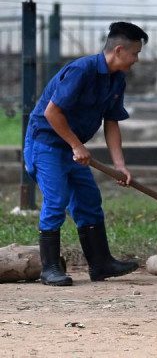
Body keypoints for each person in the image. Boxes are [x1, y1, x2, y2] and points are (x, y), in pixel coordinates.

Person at [23, 21, 148, 286]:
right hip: (46, 144)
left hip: (72, 148)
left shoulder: (117, 80)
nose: (136, 60)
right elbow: (51, 113)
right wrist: (76, 145)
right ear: (119, 50)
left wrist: (119, 165)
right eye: (135, 53)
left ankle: (101, 264)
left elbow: (111, 121)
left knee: (89, 201)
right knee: (57, 200)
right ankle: (50, 268)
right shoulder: (82, 70)